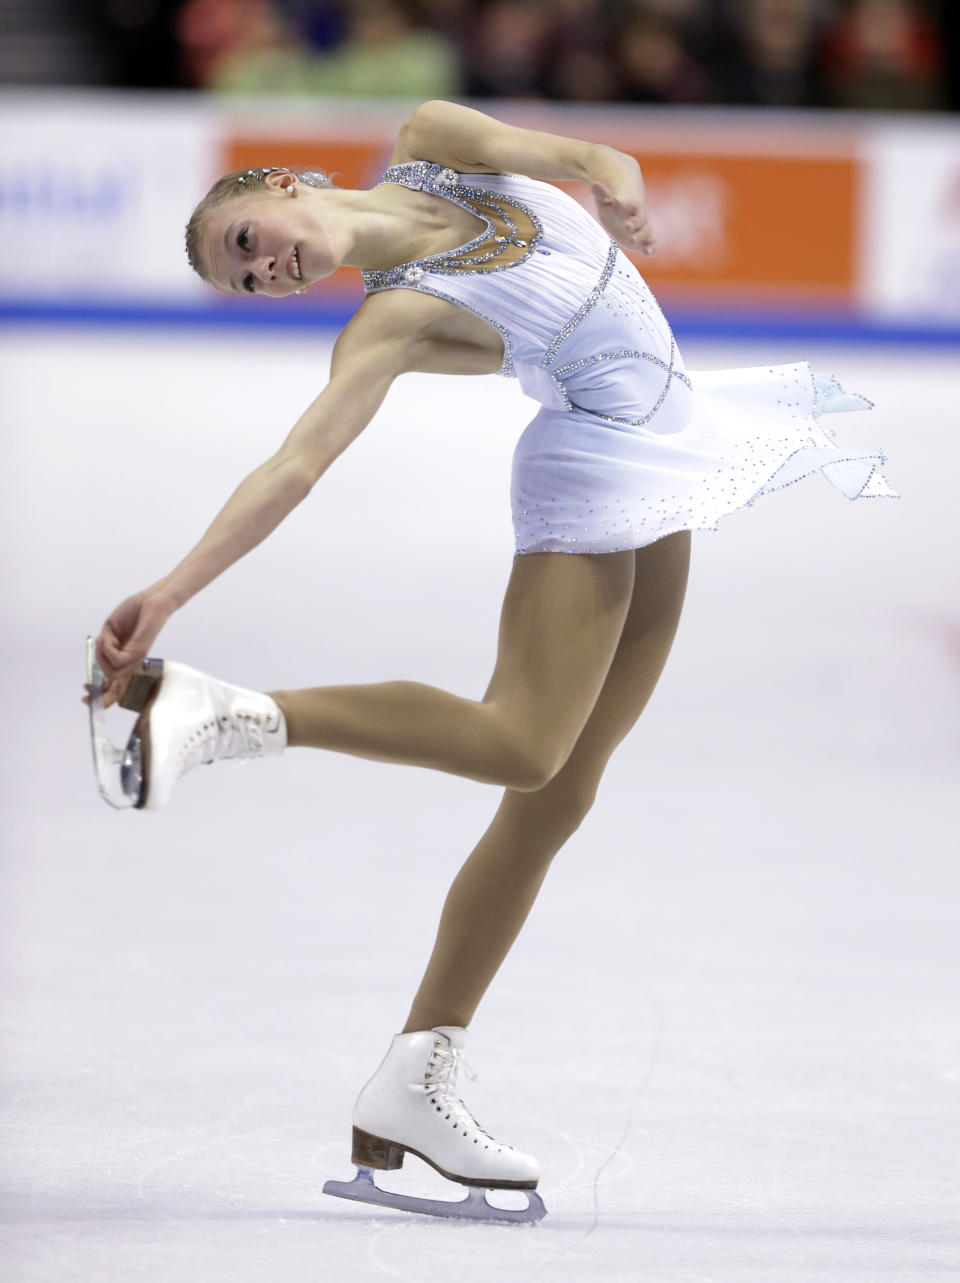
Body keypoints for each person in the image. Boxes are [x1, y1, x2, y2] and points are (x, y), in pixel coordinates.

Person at [86, 99, 894, 1220]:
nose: (267, 272)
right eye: (251, 285)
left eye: (247, 247)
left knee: (560, 794)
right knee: (521, 743)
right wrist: (173, 589)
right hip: (593, 464)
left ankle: (417, 1074)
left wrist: (617, 185)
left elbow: (580, 157)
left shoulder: (431, 143)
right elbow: (294, 466)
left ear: (276, 183)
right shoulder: (393, 321)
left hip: (672, 442)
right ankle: (221, 713)